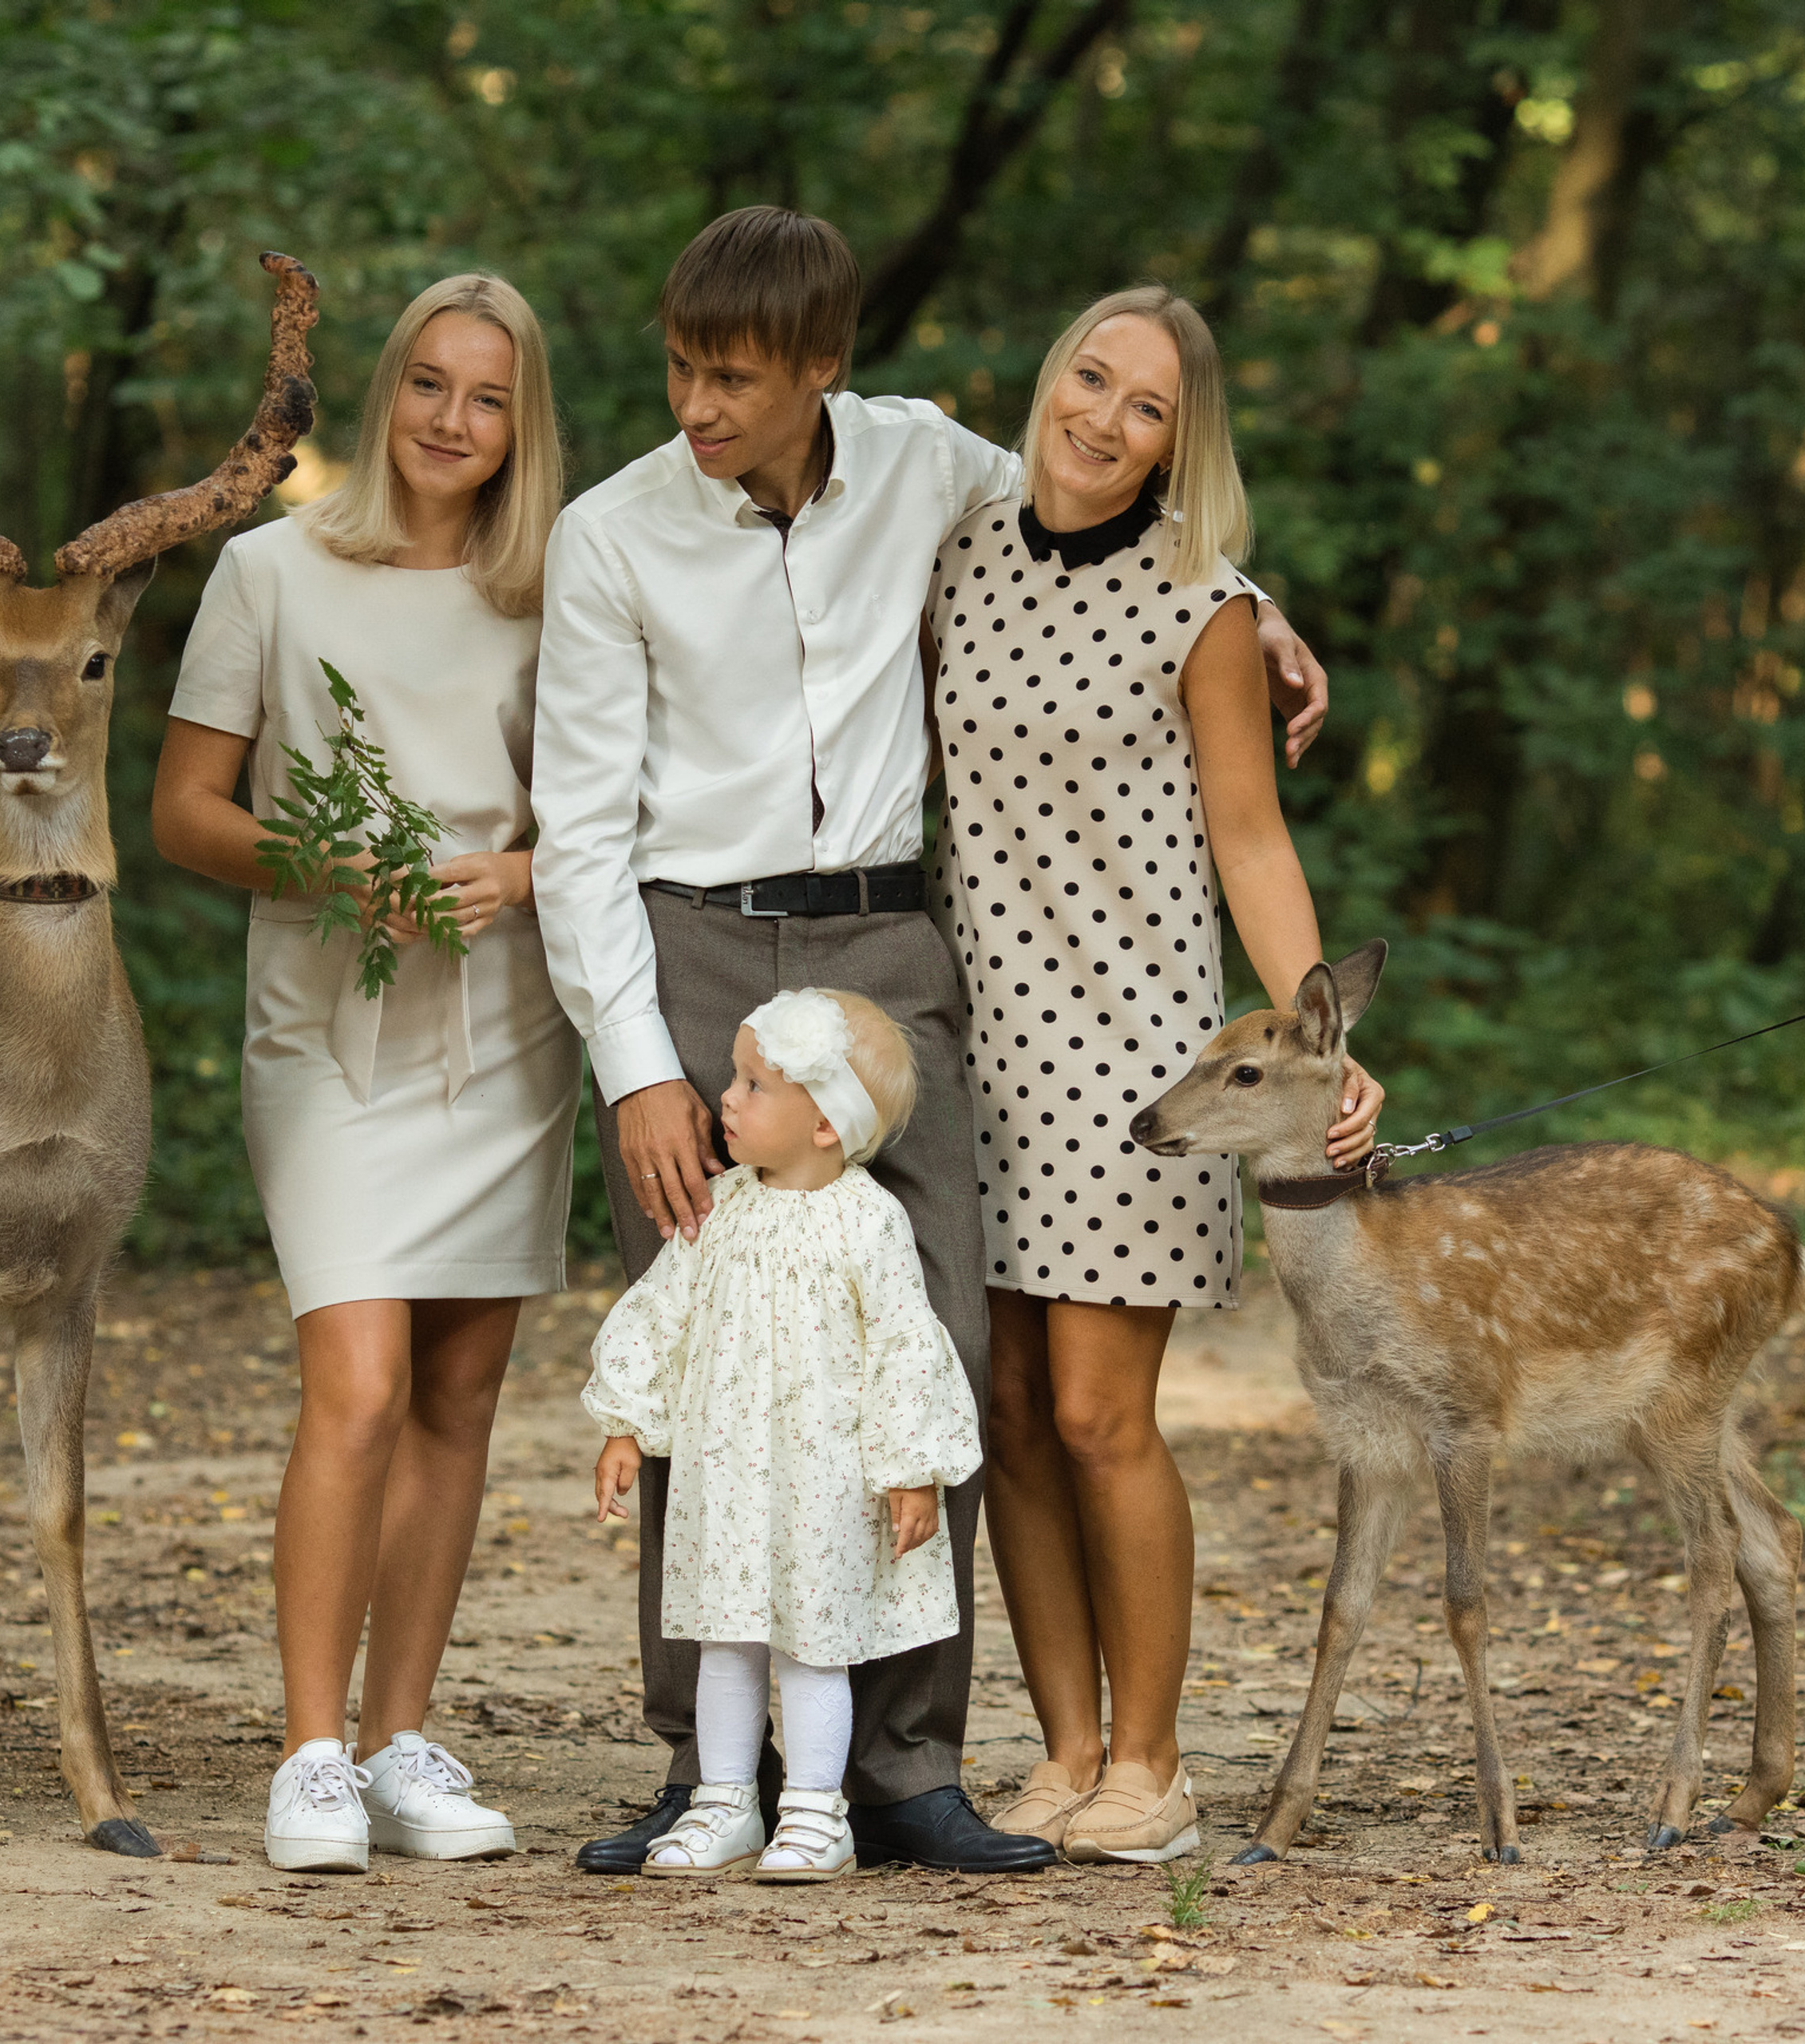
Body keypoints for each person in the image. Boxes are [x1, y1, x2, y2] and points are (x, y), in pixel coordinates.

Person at [531, 205, 1332, 1876]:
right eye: (681, 368)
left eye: (734, 376)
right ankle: (708, 1764)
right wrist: (634, 1067)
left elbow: (1118, 515)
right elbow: (579, 829)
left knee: (936, 1361)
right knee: (716, 1359)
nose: (697, 403)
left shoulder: (922, 466)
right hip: (695, 948)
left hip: (899, 950)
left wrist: (1250, 615)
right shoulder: (613, 533)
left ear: (824, 367)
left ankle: (902, 1765)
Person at [926, 285, 1383, 1863]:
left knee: (1096, 1412)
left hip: (1131, 1057)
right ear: (1044, 374)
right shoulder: (957, 547)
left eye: (1148, 411)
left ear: (1181, 449)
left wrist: (1313, 1034)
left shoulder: (1204, 608)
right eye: (1089, 378)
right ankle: (1061, 1749)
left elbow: (1249, 833)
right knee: (1004, 1413)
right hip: (968, 1040)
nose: (1105, 420)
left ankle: (1154, 1759)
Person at [151, 273, 580, 1873]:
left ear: (520, 424)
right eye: (427, 385)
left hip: (504, 1024)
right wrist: (334, 869)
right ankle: (310, 1748)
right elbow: (186, 811)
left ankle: (402, 1735)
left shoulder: (556, 584)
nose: (452, 424)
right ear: (383, 390)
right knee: (360, 1380)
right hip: (326, 1028)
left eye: (488, 399)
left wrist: (518, 878)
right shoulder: (270, 570)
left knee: (460, 1390)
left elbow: (608, 810)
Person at [581, 990, 981, 1884]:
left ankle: (814, 1810)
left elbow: (906, 1343)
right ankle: (724, 1800)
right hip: (725, 1473)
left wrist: (912, 1468)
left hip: (822, 1478)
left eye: (754, 1083)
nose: (725, 1095)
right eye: (736, 1075)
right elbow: (660, 1315)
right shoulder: (718, 1208)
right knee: (725, 1638)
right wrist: (624, 1423)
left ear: (825, 1126)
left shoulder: (868, 1220)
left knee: (812, 1640)